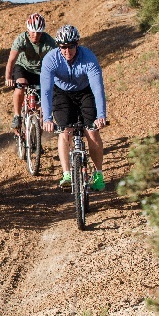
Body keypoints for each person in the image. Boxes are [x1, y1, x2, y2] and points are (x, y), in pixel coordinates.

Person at [40, 25, 108, 191]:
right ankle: (67, 174)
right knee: (65, 130)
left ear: (77, 44)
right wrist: (47, 118)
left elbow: (98, 88)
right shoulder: (51, 59)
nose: (67, 50)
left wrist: (101, 115)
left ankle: (98, 173)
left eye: (71, 46)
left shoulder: (88, 58)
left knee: (91, 131)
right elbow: (46, 90)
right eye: (63, 47)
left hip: (85, 92)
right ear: (59, 46)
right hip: (61, 93)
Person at [5, 13, 57, 132]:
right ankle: (17, 116)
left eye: (39, 32)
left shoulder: (48, 41)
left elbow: (57, 61)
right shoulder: (21, 39)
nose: (35, 35)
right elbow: (11, 60)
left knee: (45, 97)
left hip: (40, 70)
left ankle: (38, 133)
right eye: (33, 32)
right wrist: (8, 78)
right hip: (23, 67)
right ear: (28, 30)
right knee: (21, 86)